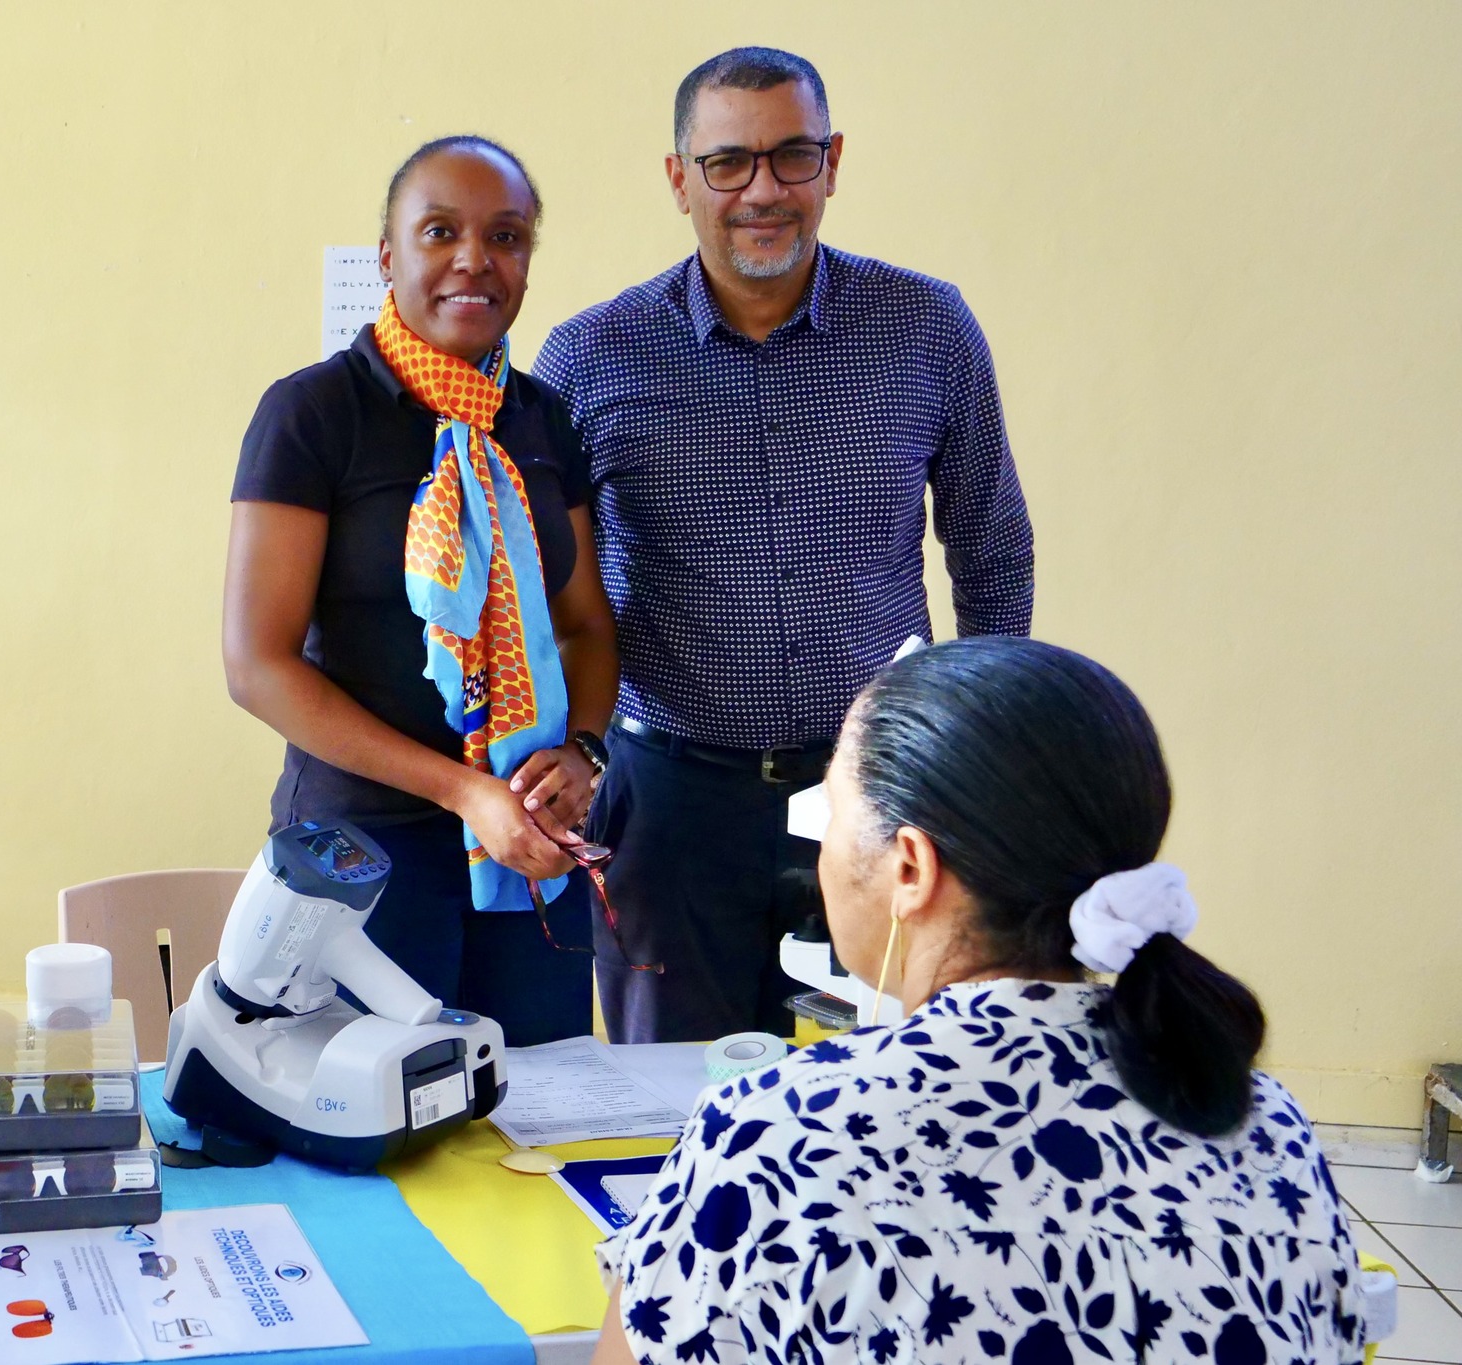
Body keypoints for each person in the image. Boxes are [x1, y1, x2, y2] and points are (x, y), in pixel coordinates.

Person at [589, 637, 1366, 1364]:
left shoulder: (776, 1136)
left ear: (911, 867)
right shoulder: (1264, 1120)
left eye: (833, 814)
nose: (820, 849)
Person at [534, 47, 1035, 1044]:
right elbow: (547, 599)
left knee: (887, 1092)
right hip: (670, 810)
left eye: (791, 156)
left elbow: (991, 549)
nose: (762, 190)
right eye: (727, 162)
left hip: (880, 799)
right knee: (673, 1105)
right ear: (679, 179)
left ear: (831, 163)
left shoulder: (926, 328)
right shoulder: (589, 358)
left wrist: (981, 756)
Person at [224, 136, 620, 1046]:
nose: (474, 259)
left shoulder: (541, 418)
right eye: (440, 231)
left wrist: (584, 755)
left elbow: (587, 627)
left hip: (529, 848)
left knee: (538, 1099)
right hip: (361, 859)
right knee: (377, 1109)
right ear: (387, 256)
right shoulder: (313, 414)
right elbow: (257, 666)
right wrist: (463, 793)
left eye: (506, 236)